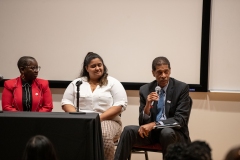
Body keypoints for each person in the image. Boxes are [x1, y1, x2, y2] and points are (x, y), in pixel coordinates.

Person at [114, 56, 191, 160]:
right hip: (152, 134)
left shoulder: (181, 88)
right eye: (159, 72)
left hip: (174, 134)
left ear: (170, 71)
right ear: (153, 73)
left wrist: (154, 124)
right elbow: (142, 123)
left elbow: (180, 120)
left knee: (166, 132)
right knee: (128, 130)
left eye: (166, 72)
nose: (163, 75)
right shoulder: (145, 89)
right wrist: (147, 106)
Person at [61, 52, 128, 160]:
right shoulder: (77, 83)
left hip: (108, 120)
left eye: (99, 65)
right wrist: (77, 118)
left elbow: (120, 105)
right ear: (86, 68)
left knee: (104, 137)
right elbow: (66, 102)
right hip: (81, 121)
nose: (97, 68)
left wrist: (97, 119)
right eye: (93, 66)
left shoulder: (113, 82)